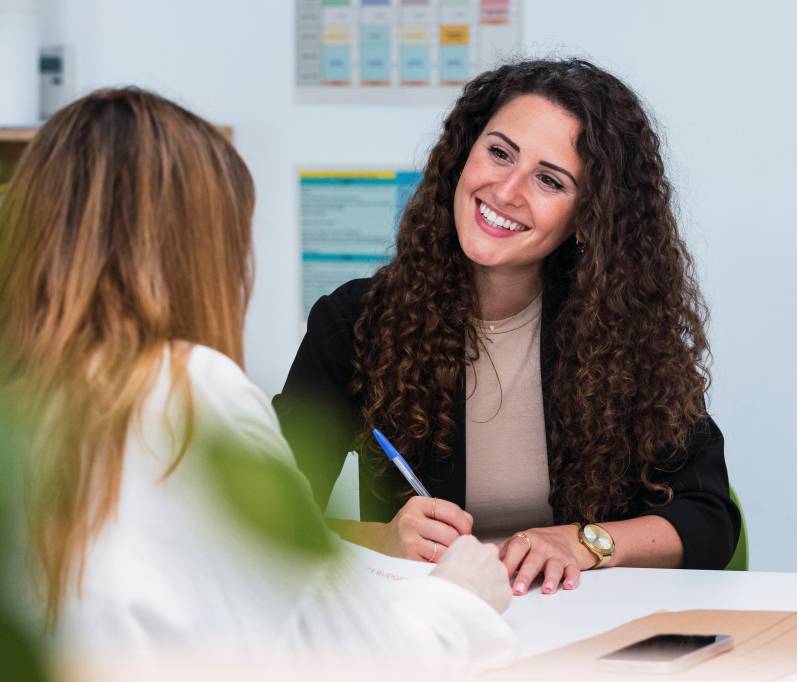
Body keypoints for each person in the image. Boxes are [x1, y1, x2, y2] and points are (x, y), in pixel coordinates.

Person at [0, 88, 512, 672]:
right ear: (198, 248)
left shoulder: (3, 393)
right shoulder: (185, 391)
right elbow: (354, 655)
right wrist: (461, 596)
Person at [274, 58, 741, 597]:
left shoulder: (625, 329)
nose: (507, 190)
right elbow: (262, 516)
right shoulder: (354, 322)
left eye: (549, 180)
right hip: (424, 634)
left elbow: (708, 519)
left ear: (588, 218)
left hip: (582, 633)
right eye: (499, 152)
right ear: (462, 157)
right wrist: (383, 539)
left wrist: (583, 543)